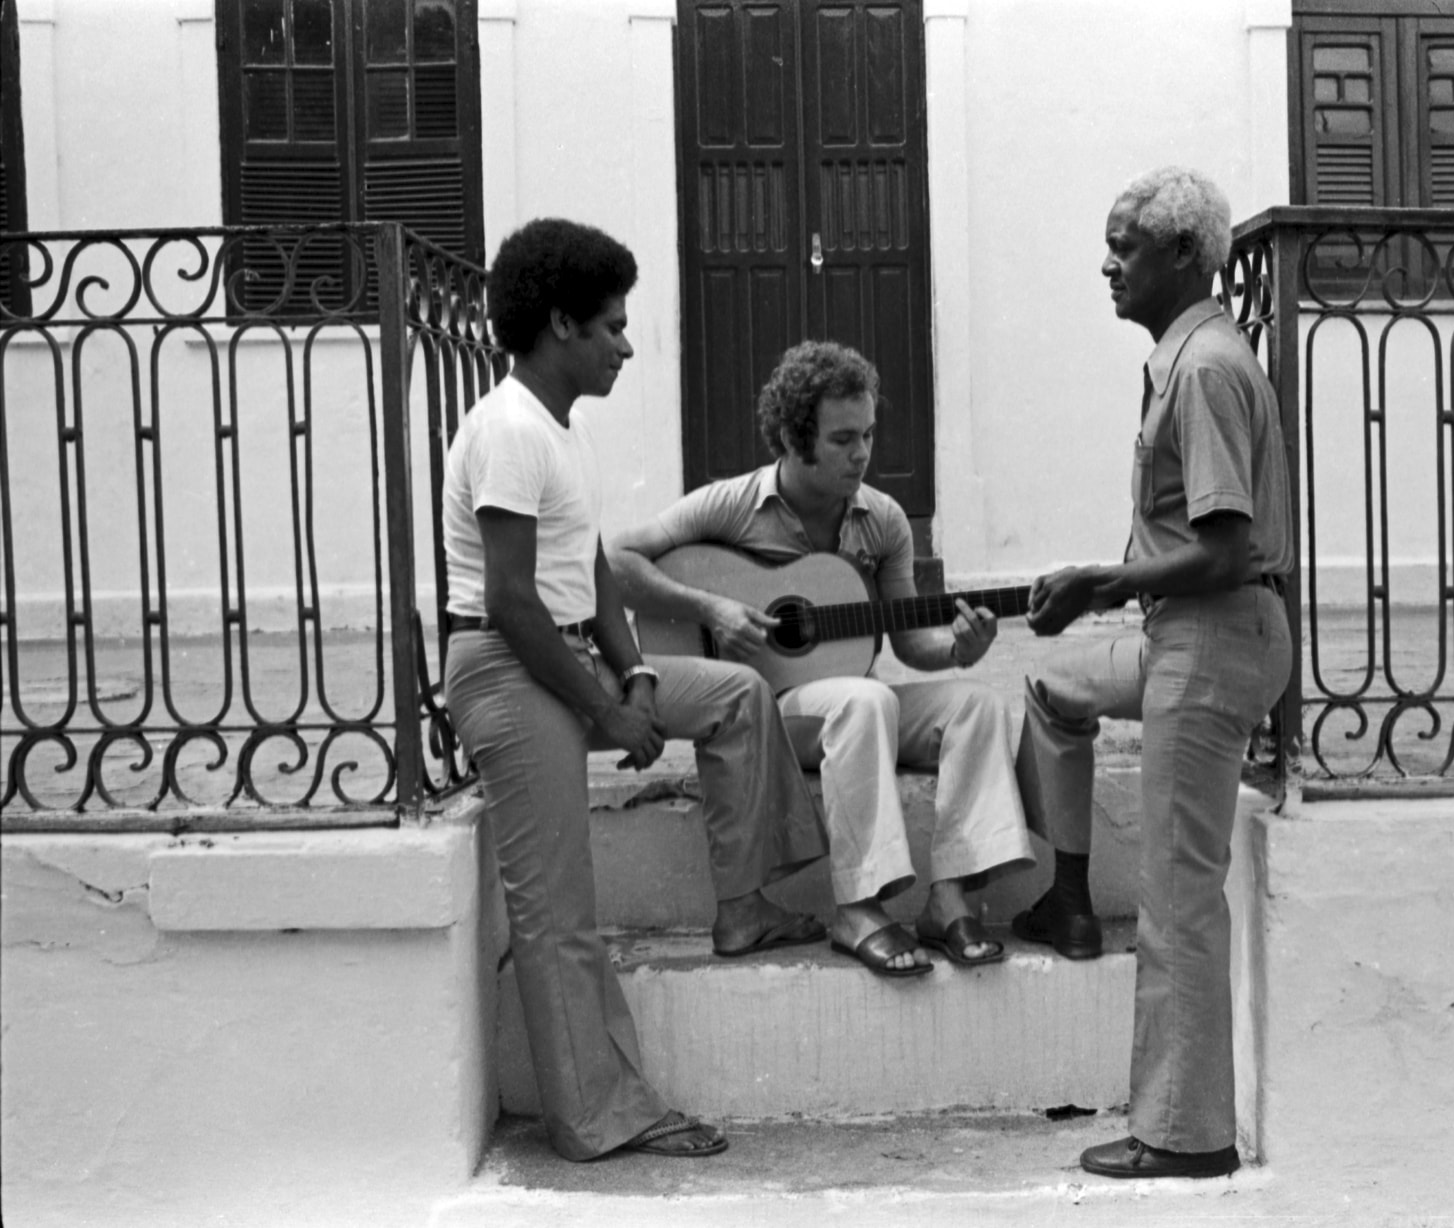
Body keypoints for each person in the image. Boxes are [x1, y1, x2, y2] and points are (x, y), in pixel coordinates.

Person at [441, 218, 829, 1162]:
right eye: (612, 325)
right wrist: (604, 706)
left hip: (572, 659)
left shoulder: (559, 433)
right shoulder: (507, 431)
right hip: (509, 666)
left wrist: (642, 673)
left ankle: (745, 906)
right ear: (562, 323)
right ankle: (596, 1115)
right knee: (557, 910)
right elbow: (510, 601)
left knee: (737, 695)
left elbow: (595, 577)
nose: (624, 344)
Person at [1012, 167, 1294, 1179]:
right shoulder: (1190, 359)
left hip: (1213, 636)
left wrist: (1101, 581)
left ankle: (1185, 1133)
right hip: (1190, 634)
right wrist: (1094, 590)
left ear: (1183, 253)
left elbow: (1226, 549)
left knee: (1179, 895)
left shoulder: (1207, 368)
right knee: (1052, 689)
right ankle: (1067, 892)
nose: (1108, 264)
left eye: (1124, 245)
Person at [608, 340, 1036, 979]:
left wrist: (959, 648)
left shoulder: (883, 520)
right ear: (790, 436)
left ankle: (950, 898)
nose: (862, 453)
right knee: (865, 699)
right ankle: (859, 908)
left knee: (976, 704)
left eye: (867, 434)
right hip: (773, 710)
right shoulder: (734, 504)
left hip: (844, 707)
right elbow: (618, 563)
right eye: (842, 440)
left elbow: (910, 643)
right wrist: (711, 609)